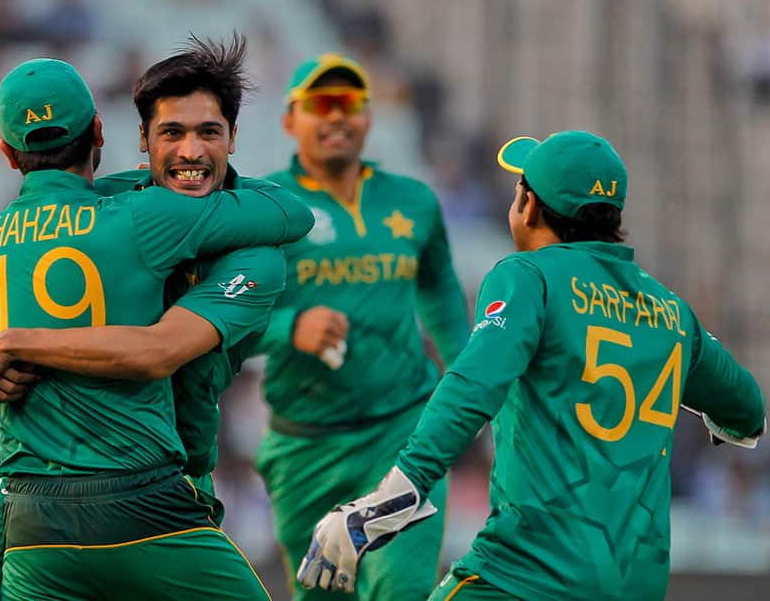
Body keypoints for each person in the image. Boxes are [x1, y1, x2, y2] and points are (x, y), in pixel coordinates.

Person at [297, 131, 767, 601]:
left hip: (525, 573)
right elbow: (748, 412)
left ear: (529, 204)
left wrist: (393, 498)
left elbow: (471, 385)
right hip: (635, 587)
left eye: (520, 185)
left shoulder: (527, 275)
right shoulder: (673, 311)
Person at [0, 43, 310, 601]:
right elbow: (291, 210)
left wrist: (7, 345)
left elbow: (157, 350)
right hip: (132, 491)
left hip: (56, 501)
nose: (190, 151)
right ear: (121, 139)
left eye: (208, 132)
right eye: (172, 133)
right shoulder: (138, 214)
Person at [252, 53, 470, 600]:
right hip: (306, 446)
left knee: (402, 590)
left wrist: (469, 382)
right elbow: (218, 321)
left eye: (349, 103)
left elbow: (439, 288)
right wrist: (290, 326)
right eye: (320, 104)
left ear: (369, 118)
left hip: (401, 435)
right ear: (289, 120)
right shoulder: (263, 207)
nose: (336, 117)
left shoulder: (414, 200)